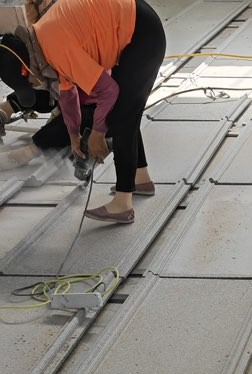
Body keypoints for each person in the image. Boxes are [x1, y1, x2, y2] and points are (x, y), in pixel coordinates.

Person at [0, 0, 165, 224]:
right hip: (135, 26)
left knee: (122, 116)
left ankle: (122, 204)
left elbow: (109, 91)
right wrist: (73, 134)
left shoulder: (55, 47)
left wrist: (98, 132)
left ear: (26, 68)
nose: (34, 84)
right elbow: (68, 95)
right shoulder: (43, 40)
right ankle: (140, 178)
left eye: (29, 82)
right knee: (126, 110)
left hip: (142, 33)